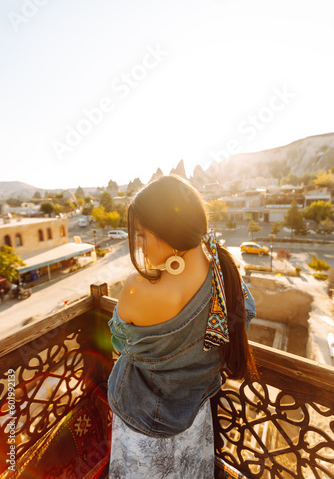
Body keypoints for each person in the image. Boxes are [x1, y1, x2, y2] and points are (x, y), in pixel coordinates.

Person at [107, 175, 257, 479]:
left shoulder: (138, 289)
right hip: (194, 417)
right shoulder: (220, 266)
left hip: (142, 424)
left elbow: (119, 342)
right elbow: (247, 311)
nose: (138, 243)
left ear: (168, 231)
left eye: (141, 234)